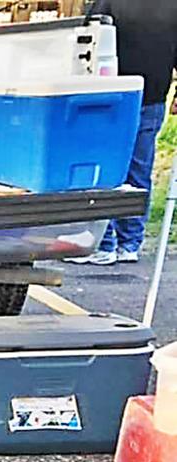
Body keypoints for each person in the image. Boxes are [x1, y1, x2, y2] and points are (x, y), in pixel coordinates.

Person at [69, 1, 177, 266]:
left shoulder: (106, 2)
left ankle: (102, 243)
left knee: (102, 168)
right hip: (151, 94)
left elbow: (88, 44)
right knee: (139, 169)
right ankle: (129, 243)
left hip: (110, 95)